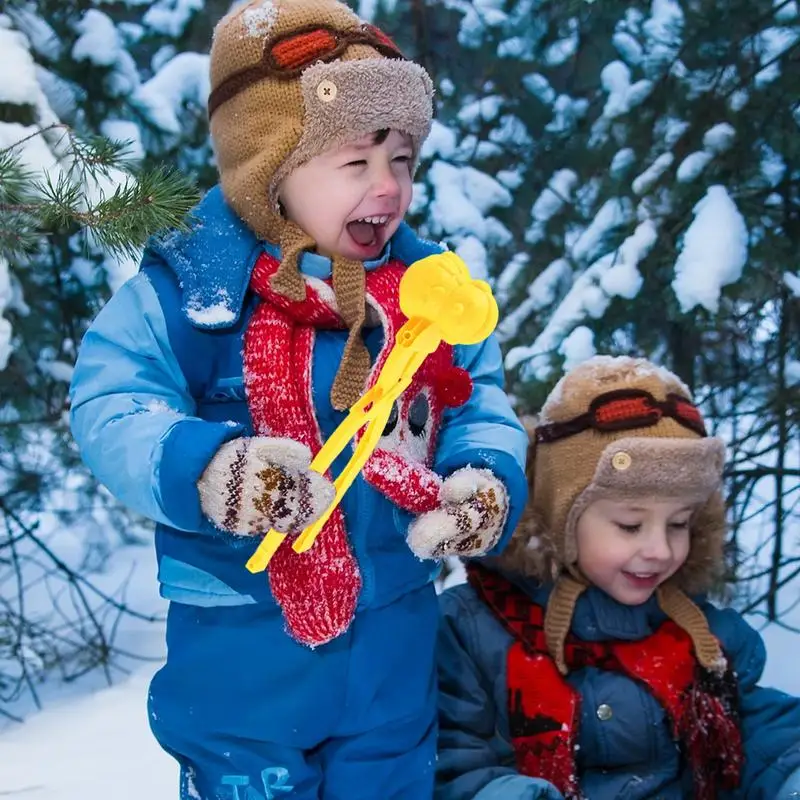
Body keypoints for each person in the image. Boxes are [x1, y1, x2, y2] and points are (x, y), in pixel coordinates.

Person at [68, 1, 528, 797]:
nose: (389, 186)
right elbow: (112, 403)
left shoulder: (426, 298)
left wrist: (482, 476)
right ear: (270, 170)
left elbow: (479, 397)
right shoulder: (190, 296)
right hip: (242, 644)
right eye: (357, 161)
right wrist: (210, 467)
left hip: (394, 633)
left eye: (405, 159)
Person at [435, 355, 800, 800]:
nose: (661, 550)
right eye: (630, 525)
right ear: (559, 517)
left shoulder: (698, 631)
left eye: (679, 523)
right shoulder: (473, 631)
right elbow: (457, 765)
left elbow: (759, 734)